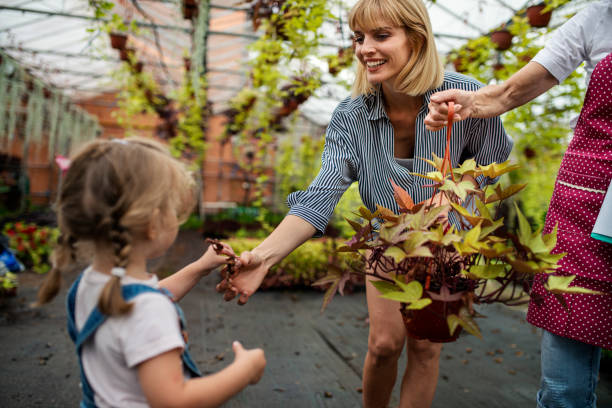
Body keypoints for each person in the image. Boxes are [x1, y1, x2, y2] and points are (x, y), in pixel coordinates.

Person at [223, 1, 512, 407]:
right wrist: (265, 258)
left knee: (427, 348)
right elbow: (318, 198)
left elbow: (492, 158)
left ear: (416, 38)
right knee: (384, 345)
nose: (365, 48)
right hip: (388, 243)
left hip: (448, 246)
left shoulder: (462, 96)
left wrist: (458, 187)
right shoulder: (351, 117)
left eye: (381, 35)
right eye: (359, 38)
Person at [424, 2, 612, 407]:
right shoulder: (600, 15)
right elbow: (507, 92)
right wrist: (470, 104)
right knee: (565, 389)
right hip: (588, 206)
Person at [36, 138, 266, 407]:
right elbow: (174, 400)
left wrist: (199, 267)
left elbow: (143, 298)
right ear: (153, 223)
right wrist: (244, 372)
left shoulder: (89, 283)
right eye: (173, 208)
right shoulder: (148, 311)